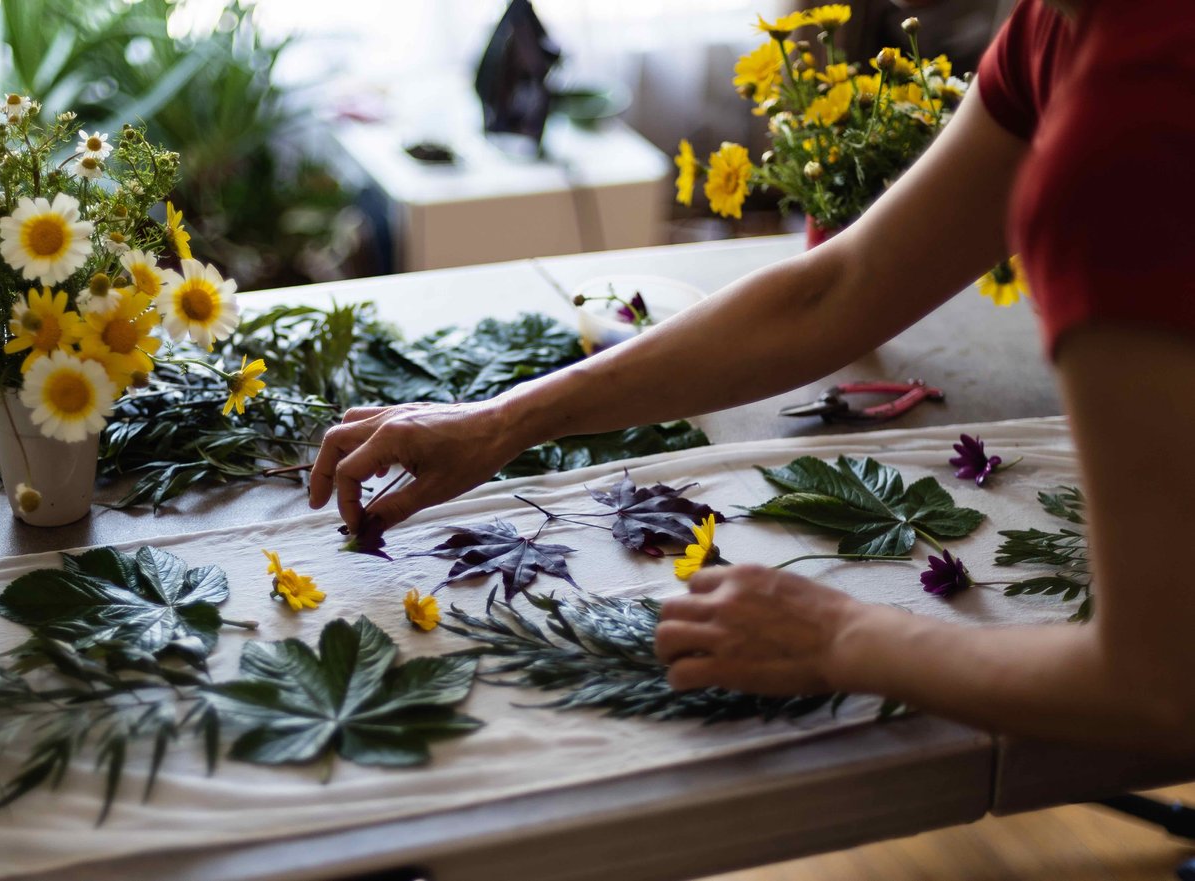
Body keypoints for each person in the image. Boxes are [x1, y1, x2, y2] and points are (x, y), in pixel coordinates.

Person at [307, 0, 1195, 754]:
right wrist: (501, 420)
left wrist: (845, 634)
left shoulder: (1125, 132)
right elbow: (836, 289)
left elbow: (1155, 683)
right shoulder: (1061, 28)